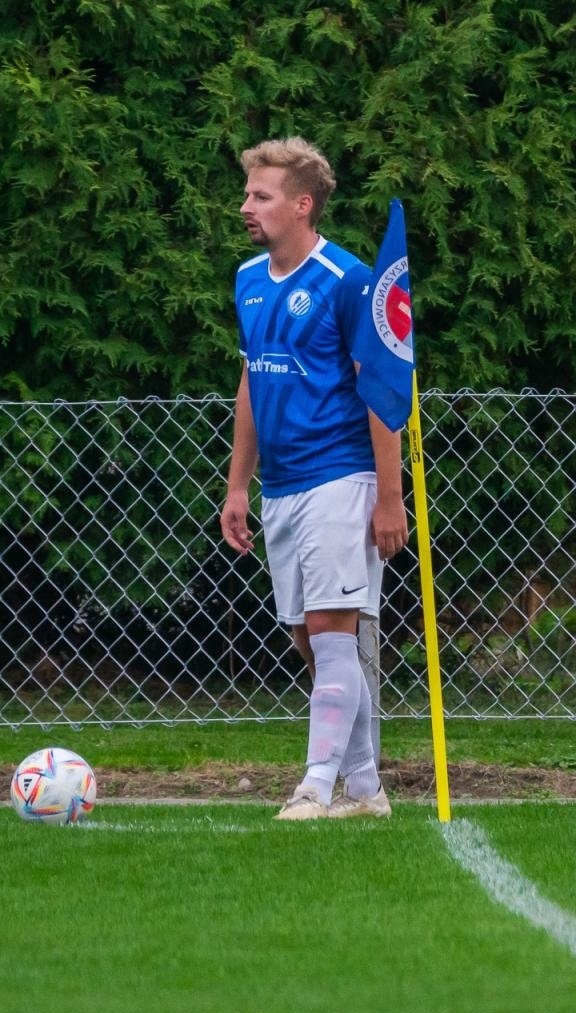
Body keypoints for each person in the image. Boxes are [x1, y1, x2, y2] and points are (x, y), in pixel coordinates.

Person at [219, 137, 408, 820]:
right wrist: (240, 486)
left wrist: (391, 497)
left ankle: (315, 785)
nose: (246, 207)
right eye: (248, 194)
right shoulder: (247, 279)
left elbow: (380, 392)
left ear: (301, 205)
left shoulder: (347, 279)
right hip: (285, 488)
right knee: (308, 638)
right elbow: (251, 380)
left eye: (260, 195)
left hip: (343, 477)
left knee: (332, 633)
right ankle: (363, 789)